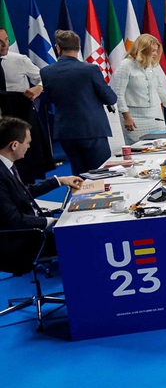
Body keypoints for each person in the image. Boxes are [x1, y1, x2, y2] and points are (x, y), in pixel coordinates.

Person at [0, 117, 84, 256]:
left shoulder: (6, 166)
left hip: (32, 226)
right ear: (14, 145)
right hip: (26, 239)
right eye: (27, 143)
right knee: (85, 234)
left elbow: (23, 193)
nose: (28, 146)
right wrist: (51, 222)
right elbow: (13, 220)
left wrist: (59, 181)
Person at [39, 30, 118, 175]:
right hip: (92, 130)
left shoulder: (46, 72)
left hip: (66, 132)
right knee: (101, 174)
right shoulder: (90, 69)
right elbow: (111, 98)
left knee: (79, 176)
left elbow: (51, 97)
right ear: (79, 48)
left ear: (58, 48)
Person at [112, 34, 166, 145]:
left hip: (156, 116)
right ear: (143, 49)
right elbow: (118, 94)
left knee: (161, 146)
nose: (155, 54)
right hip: (135, 118)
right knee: (141, 150)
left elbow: (159, 89)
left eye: (156, 51)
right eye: (153, 51)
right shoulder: (125, 65)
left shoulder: (151, 65)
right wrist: (126, 117)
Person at [0, 29, 54, 181]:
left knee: (26, 162)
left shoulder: (19, 60)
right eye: (0, 42)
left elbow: (44, 78)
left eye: (6, 40)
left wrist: (38, 87)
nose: (5, 45)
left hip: (19, 114)